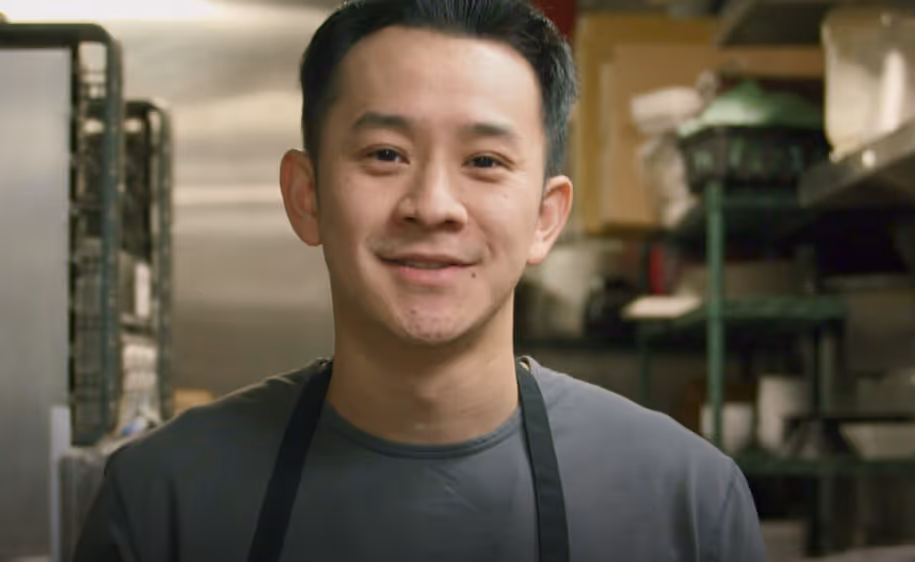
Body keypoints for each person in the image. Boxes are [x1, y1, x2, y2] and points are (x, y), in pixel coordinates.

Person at [74, 1, 766, 560]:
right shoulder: (165, 504)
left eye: (486, 161)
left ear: (546, 219)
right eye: (385, 153)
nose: (433, 205)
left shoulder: (686, 506)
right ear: (307, 195)